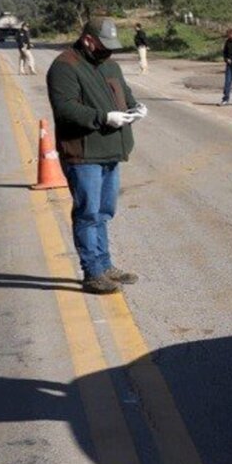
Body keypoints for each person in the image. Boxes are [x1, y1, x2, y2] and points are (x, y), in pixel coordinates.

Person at [46, 18, 147, 295]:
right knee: (88, 213)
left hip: (111, 149)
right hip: (84, 153)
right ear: (89, 40)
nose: (108, 52)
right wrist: (104, 117)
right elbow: (65, 109)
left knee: (104, 212)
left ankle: (105, 264)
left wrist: (135, 108)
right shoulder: (64, 66)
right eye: (104, 46)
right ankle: (92, 272)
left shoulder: (110, 65)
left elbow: (124, 95)